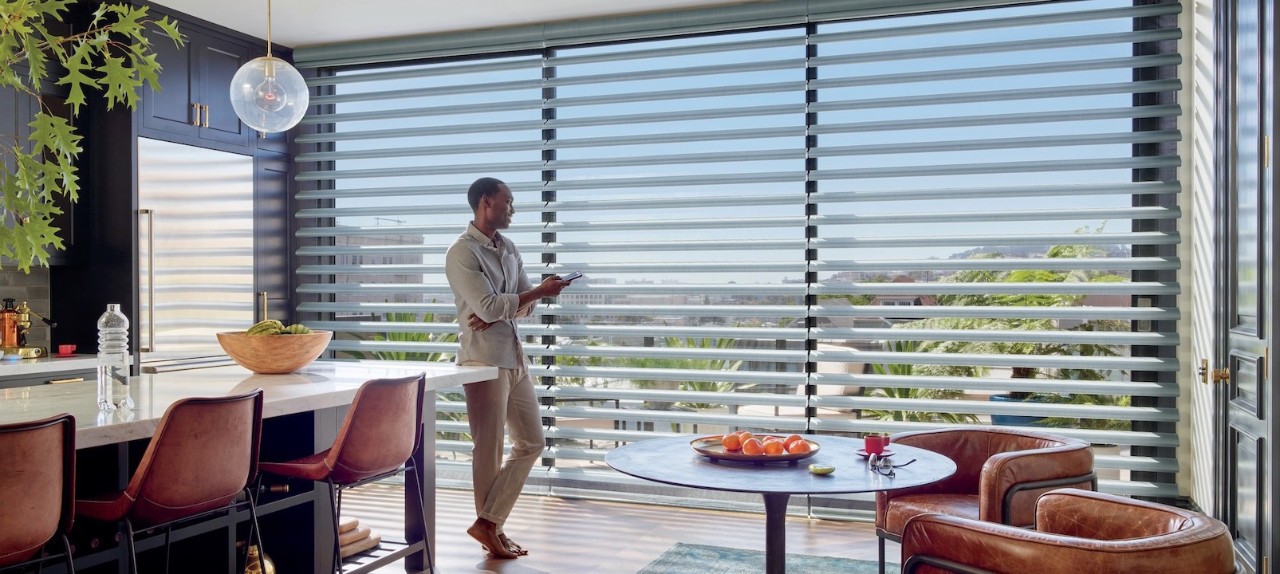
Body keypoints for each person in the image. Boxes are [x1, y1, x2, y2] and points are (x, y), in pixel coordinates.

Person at [444, 176, 572, 559]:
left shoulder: (509, 247)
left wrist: (509, 304)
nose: (512, 209)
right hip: (483, 360)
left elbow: (521, 307)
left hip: (514, 357)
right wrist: (525, 297)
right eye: (508, 202)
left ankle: (488, 523)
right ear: (486, 203)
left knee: (532, 441)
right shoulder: (462, 252)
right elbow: (492, 306)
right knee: (489, 449)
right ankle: (492, 531)